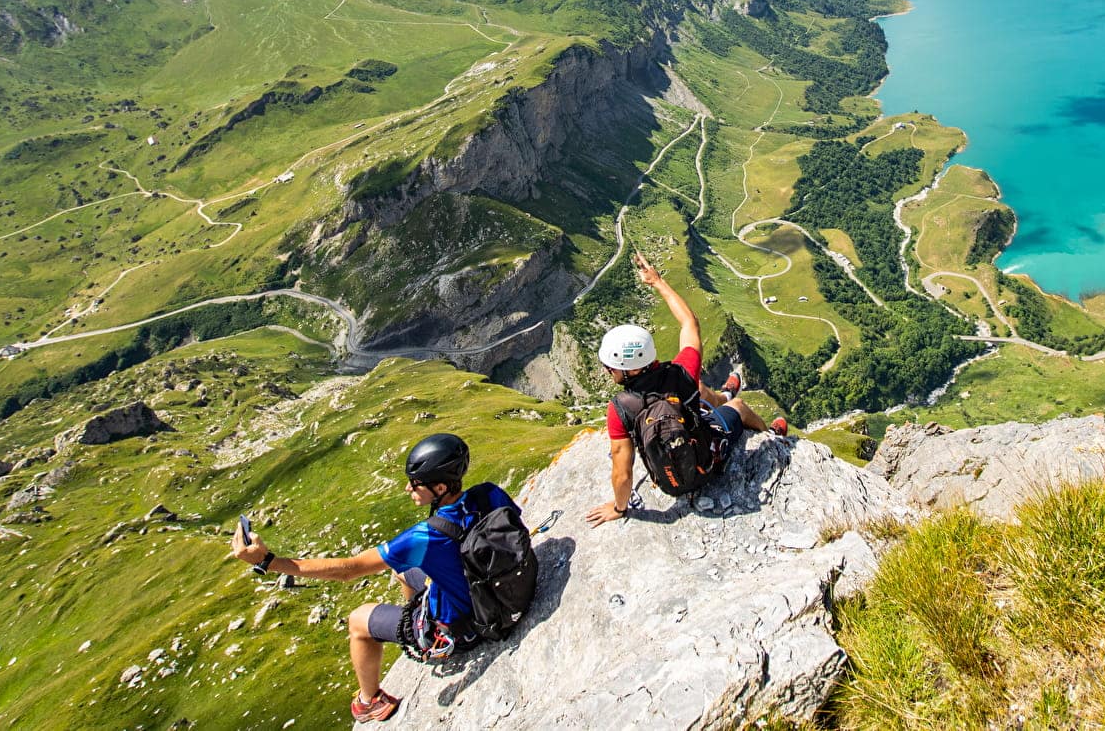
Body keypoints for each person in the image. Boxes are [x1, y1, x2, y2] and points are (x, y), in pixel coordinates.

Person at [231, 433, 518, 724]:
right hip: (499, 589)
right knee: (402, 570)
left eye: (415, 483)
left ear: (440, 487)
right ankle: (416, 615)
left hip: (466, 627)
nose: (408, 488)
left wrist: (269, 562)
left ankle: (371, 700)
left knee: (358, 620)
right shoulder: (489, 493)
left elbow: (350, 569)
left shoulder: (425, 536)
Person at [585, 251, 785, 526]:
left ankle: (728, 399)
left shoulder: (620, 409)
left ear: (627, 369)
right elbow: (690, 323)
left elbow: (622, 472)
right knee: (735, 407)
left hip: (669, 484)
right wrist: (657, 281)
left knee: (702, 391)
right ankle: (772, 437)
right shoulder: (682, 372)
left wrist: (619, 509)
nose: (608, 371)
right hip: (707, 461)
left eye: (611, 367)